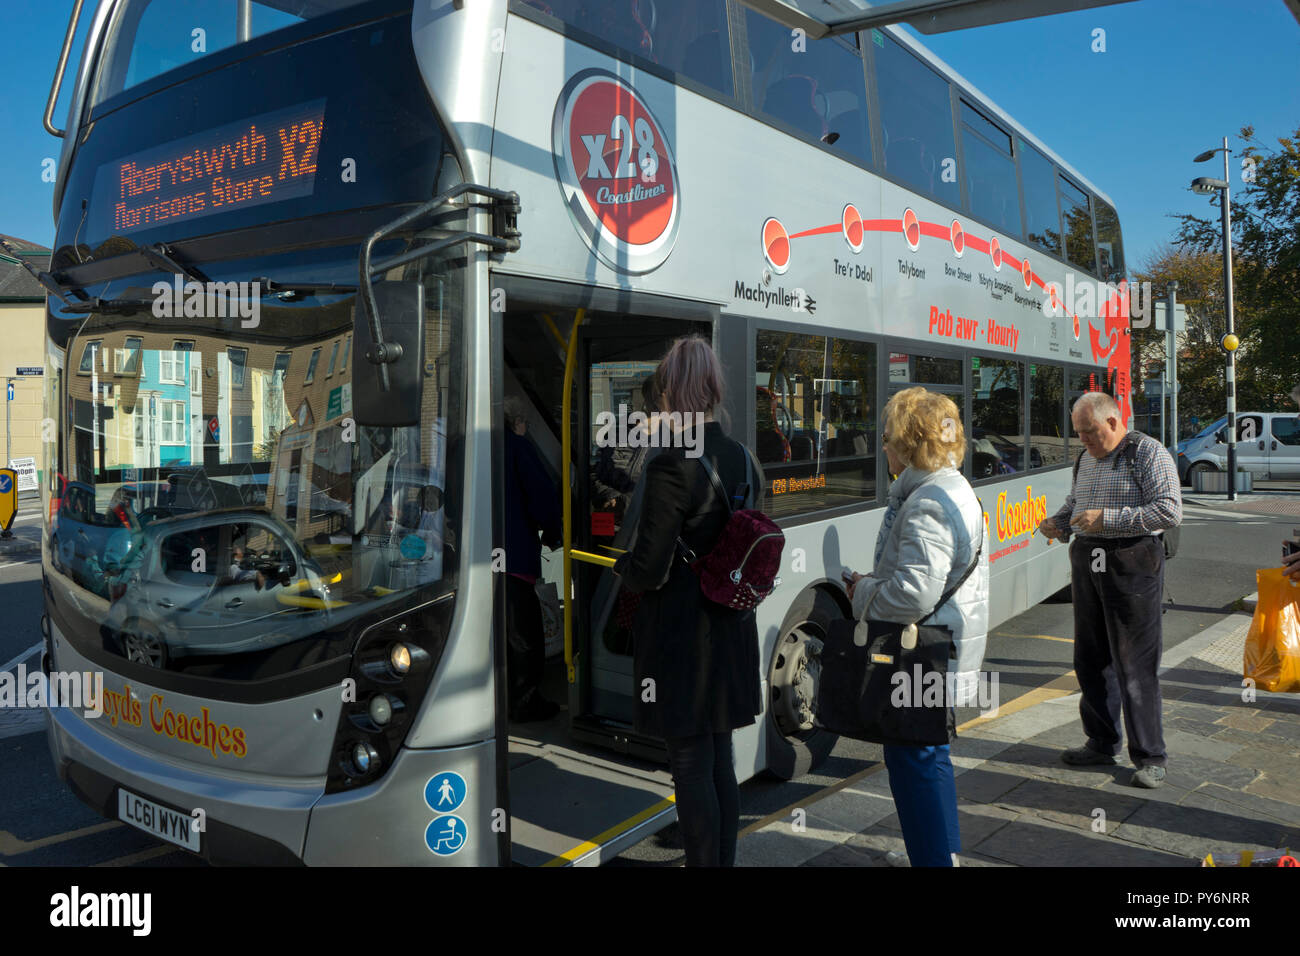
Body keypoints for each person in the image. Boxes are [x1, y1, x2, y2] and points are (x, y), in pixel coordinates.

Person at [613, 336, 761, 867]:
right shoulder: (741, 456)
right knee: (720, 761)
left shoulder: (672, 463)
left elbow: (649, 567)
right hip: (731, 627)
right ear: (714, 389)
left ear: (672, 392)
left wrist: (622, 566)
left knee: (691, 767)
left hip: (683, 639)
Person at [845, 387, 989, 868]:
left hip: (921, 656)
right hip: (941, 650)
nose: (882, 445)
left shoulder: (928, 501)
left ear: (910, 442)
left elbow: (913, 593)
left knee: (913, 761)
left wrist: (863, 591)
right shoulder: (951, 486)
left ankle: (933, 860)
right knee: (930, 755)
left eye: (887, 437)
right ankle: (940, 852)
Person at [1037, 392, 1181, 788]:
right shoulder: (1086, 458)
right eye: (1079, 433)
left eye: (1090, 432)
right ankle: (1101, 742)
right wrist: (1059, 522)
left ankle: (1150, 756)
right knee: (1090, 657)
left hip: (1132, 561)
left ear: (1114, 422)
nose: (1083, 440)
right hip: (1088, 560)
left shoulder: (1148, 453)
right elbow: (1076, 502)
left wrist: (1108, 519)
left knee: (1134, 664)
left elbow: (1169, 509)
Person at [503, 394, 563, 722]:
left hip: (476, 563)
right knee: (523, 633)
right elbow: (541, 496)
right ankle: (524, 700)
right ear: (516, 423)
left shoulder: (468, 447)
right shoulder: (517, 447)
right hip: (514, 561)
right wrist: (554, 533)